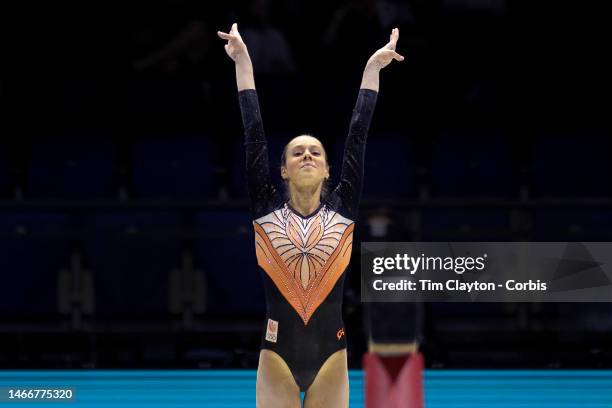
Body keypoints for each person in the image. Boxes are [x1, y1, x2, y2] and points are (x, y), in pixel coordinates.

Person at [218, 22, 403, 408]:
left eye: (315, 152)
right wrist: (243, 62)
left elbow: (358, 135)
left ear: (327, 170)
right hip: (276, 359)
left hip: (331, 359)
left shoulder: (343, 207)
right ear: (282, 169)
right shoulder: (266, 209)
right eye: (297, 152)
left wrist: (372, 70)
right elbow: (252, 131)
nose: (307, 155)